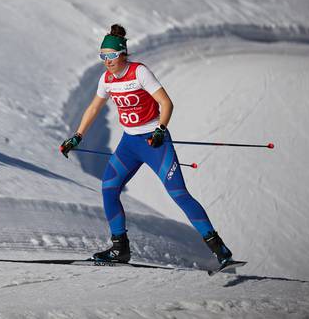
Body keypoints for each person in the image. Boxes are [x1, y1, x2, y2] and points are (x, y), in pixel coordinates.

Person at [60, 24, 233, 266]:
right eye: (102, 56)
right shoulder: (107, 79)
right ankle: (120, 249)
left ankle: (220, 250)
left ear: (122, 54)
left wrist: (161, 129)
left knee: (179, 194)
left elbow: (166, 103)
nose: (106, 61)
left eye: (110, 56)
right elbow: (93, 108)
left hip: (154, 142)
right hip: (129, 143)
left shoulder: (139, 72)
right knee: (109, 189)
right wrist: (77, 136)